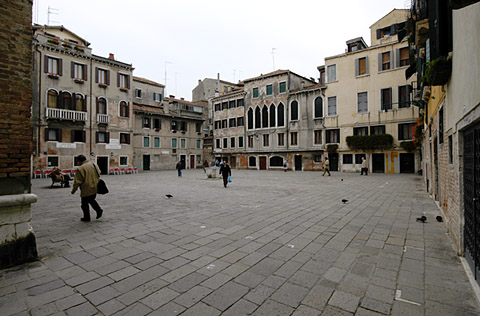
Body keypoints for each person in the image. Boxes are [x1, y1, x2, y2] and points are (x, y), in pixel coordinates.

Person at [71, 155, 103, 222]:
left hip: (86, 188)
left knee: (84, 204)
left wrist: (74, 190)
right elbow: (99, 172)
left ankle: (87, 217)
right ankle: (98, 210)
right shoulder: (94, 164)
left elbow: (77, 181)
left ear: (79, 161)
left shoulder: (80, 168)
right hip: (95, 186)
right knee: (91, 200)